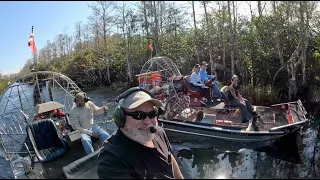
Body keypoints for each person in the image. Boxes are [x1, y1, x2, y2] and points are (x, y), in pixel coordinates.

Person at [97, 87, 184, 179]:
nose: (147, 122)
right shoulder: (111, 159)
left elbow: (170, 159)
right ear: (121, 118)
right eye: (138, 115)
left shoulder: (159, 132)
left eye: (152, 114)